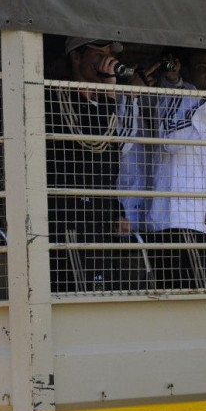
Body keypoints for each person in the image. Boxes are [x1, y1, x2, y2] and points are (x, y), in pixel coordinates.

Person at [46, 37, 135, 292]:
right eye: (99, 55)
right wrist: (109, 93)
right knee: (79, 290)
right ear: (76, 57)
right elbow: (93, 143)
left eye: (110, 55)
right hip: (72, 219)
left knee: (105, 291)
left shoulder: (102, 103)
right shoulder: (58, 96)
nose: (108, 62)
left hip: (100, 220)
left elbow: (108, 164)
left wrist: (115, 209)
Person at [144, 49, 206, 289]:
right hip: (174, 221)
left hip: (199, 222)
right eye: (204, 68)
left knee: (201, 298)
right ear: (187, 70)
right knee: (180, 298)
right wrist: (205, 101)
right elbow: (171, 140)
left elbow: (205, 165)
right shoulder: (174, 94)